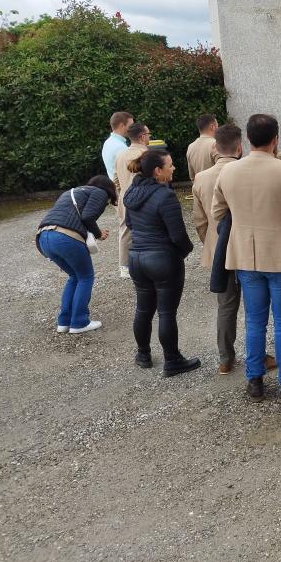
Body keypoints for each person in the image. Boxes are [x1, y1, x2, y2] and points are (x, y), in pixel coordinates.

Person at [212, 114, 281, 403]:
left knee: (254, 321)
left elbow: (217, 213)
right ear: (275, 139)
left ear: (247, 140)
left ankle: (255, 381)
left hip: (246, 256)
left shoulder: (229, 172)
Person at [192, 124, 276, 375]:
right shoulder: (250, 172)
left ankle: (225, 358)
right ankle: (258, 355)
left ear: (215, 148)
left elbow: (200, 221)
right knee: (255, 307)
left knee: (226, 307)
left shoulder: (201, 178)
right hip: (249, 247)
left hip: (219, 250)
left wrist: (210, 243)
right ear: (240, 147)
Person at [123, 149, 200, 376]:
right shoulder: (165, 196)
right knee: (166, 312)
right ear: (158, 171)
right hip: (162, 258)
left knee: (143, 308)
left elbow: (130, 223)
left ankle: (143, 354)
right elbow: (177, 235)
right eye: (170, 165)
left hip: (136, 257)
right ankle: (172, 360)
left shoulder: (132, 192)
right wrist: (186, 251)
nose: (173, 168)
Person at [36, 176, 117, 335]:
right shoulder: (100, 192)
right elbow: (87, 216)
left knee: (74, 276)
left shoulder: (71, 192)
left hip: (43, 238)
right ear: (108, 189)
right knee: (86, 276)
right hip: (65, 238)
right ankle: (79, 322)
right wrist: (99, 234)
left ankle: (64, 322)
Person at [114, 123, 151, 279]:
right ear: (142, 136)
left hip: (124, 196)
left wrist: (122, 191)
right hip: (145, 197)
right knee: (149, 229)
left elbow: (115, 179)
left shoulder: (120, 154)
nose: (150, 137)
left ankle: (125, 266)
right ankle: (147, 262)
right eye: (149, 134)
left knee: (125, 230)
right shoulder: (147, 154)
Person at [102, 111, 133, 181]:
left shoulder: (107, 143)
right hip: (124, 188)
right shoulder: (120, 147)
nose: (132, 129)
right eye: (130, 126)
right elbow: (128, 173)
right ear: (122, 126)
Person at [186, 114, 218, 181]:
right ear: (212, 127)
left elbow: (192, 176)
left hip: (199, 189)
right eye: (217, 126)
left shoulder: (190, 147)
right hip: (215, 189)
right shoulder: (216, 144)